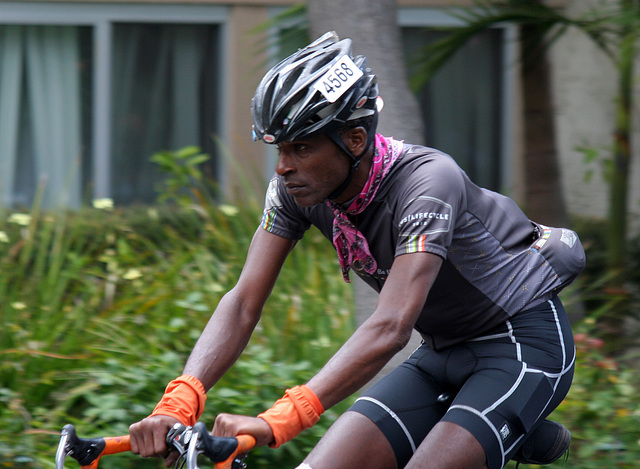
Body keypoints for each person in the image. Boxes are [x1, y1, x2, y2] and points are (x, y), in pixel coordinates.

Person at [129, 31, 585, 469]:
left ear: (355, 140)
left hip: (521, 347)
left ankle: (512, 430)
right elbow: (244, 301)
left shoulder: (428, 183)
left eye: (302, 148)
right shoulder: (295, 190)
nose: (284, 167)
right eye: (280, 149)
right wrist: (180, 400)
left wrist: (283, 418)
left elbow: (390, 327)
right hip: (441, 353)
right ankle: (518, 433)